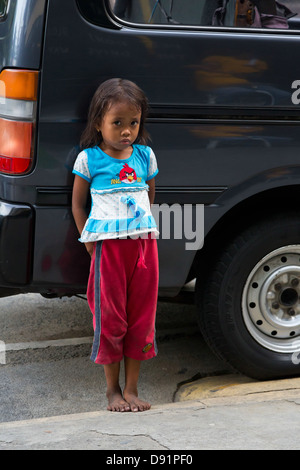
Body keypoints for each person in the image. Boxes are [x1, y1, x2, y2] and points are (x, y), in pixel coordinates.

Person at [72, 78, 159, 412]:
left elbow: (149, 194)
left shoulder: (145, 156)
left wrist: (141, 226)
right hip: (108, 250)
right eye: (117, 123)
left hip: (144, 247)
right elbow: (78, 205)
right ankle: (112, 391)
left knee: (141, 319)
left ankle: (133, 389)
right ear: (99, 124)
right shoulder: (89, 160)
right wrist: (89, 243)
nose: (126, 131)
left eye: (133, 123)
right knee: (111, 320)